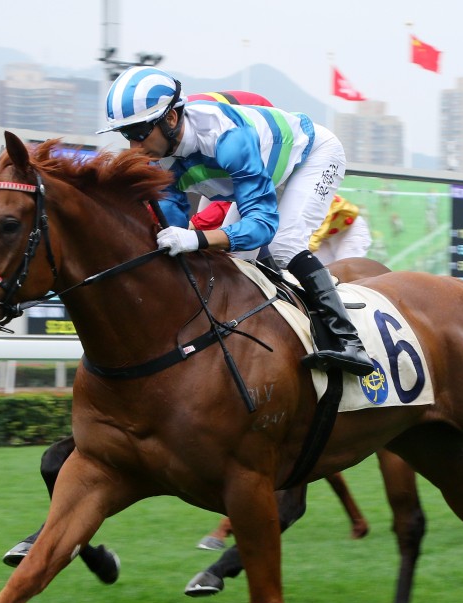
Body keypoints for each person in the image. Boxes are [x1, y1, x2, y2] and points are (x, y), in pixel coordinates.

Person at [98, 66, 375, 376]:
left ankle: (349, 341)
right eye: (126, 135)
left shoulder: (226, 137)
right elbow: (170, 228)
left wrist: (197, 239)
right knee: (231, 262)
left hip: (311, 157)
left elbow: (262, 226)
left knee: (284, 244)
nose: (134, 147)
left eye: (139, 133)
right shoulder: (160, 159)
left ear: (170, 119)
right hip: (259, 170)